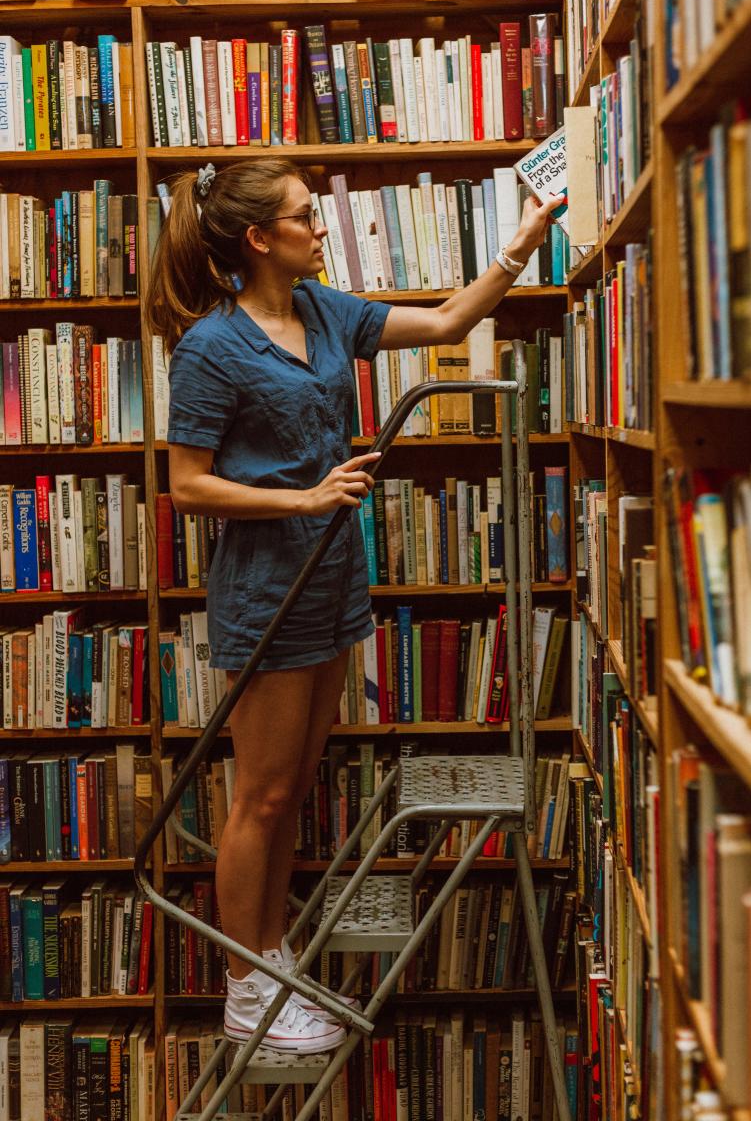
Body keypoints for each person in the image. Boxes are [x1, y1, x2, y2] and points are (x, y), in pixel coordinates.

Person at [147, 156, 560, 1053]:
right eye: (304, 215)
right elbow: (187, 488)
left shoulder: (324, 310)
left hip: (334, 579)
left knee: (292, 788)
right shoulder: (212, 346)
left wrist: (519, 249)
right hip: (267, 590)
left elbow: (450, 318)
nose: (321, 225)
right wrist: (299, 499)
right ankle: (245, 989)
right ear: (260, 238)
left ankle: (272, 956)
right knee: (257, 795)